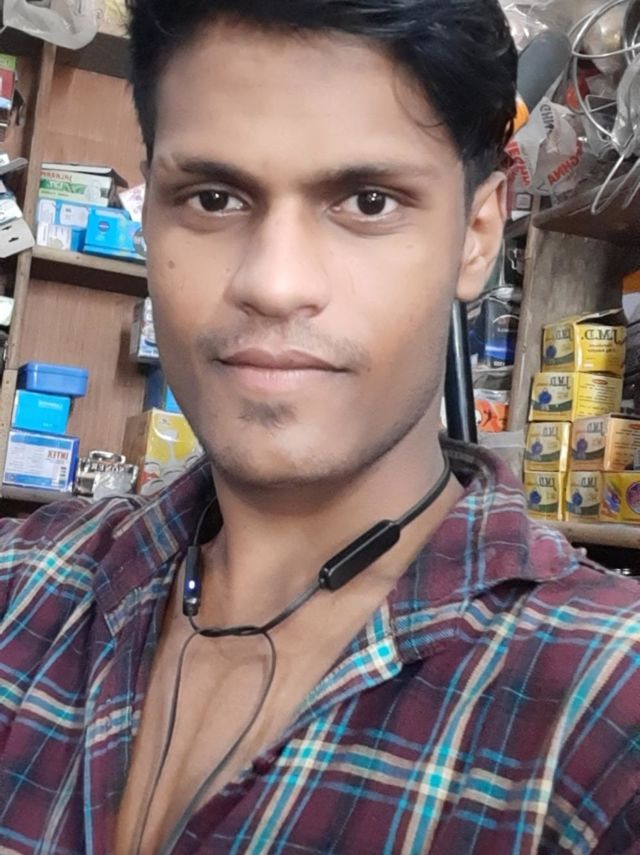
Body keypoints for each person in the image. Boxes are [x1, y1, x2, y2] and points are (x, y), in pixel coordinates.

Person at [1, 0, 639, 852]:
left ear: (478, 233)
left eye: (368, 202)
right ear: (148, 209)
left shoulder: (604, 712)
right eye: (214, 197)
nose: (274, 283)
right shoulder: (22, 589)